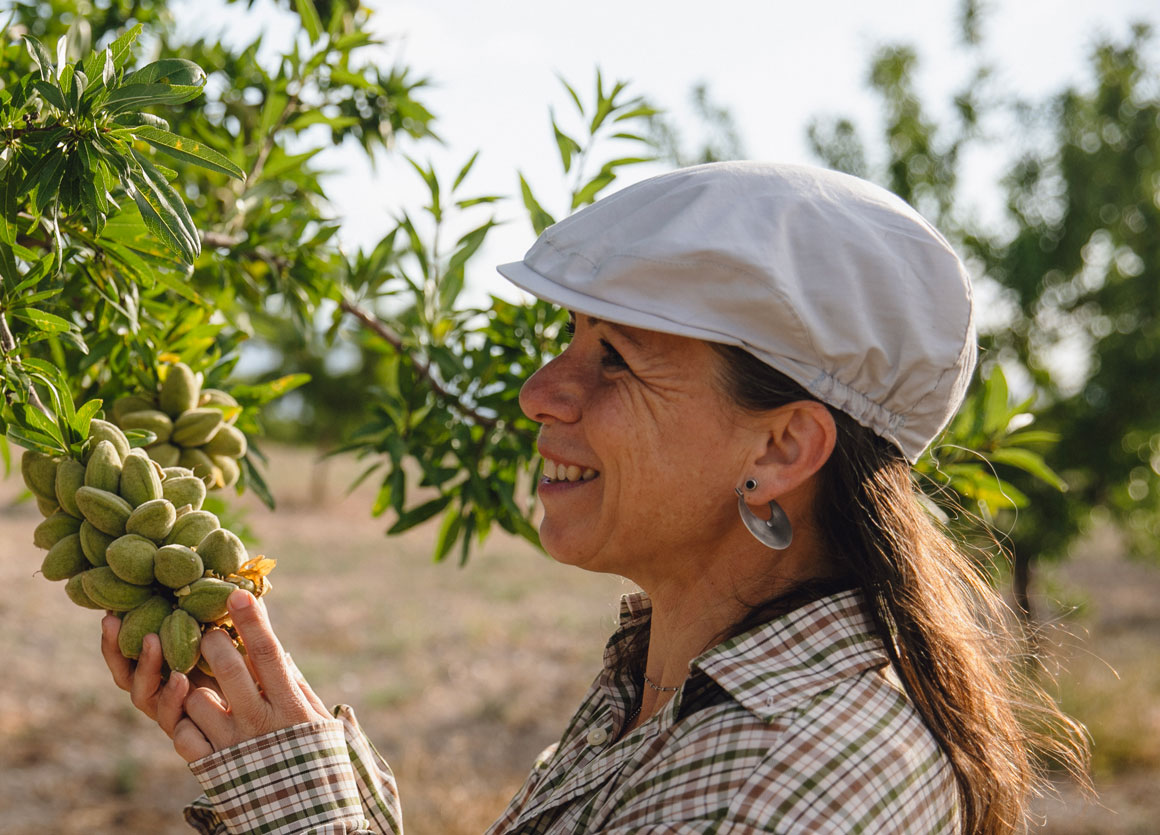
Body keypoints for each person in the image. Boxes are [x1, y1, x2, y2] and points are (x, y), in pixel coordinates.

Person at [99, 161, 1089, 834]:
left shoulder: (797, 776)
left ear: (783, 446)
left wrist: (301, 811)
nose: (539, 394)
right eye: (567, 339)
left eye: (615, 360)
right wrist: (298, 758)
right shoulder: (677, 685)